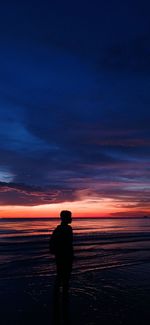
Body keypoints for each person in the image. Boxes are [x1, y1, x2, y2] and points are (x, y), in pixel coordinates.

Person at [49, 210, 73, 298]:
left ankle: (59, 293)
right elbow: (67, 243)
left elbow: (52, 242)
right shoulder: (66, 229)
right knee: (64, 274)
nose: (71, 218)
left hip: (61, 255)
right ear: (65, 218)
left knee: (61, 274)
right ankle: (62, 293)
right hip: (65, 255)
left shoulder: (59, 229)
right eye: (70, 217)